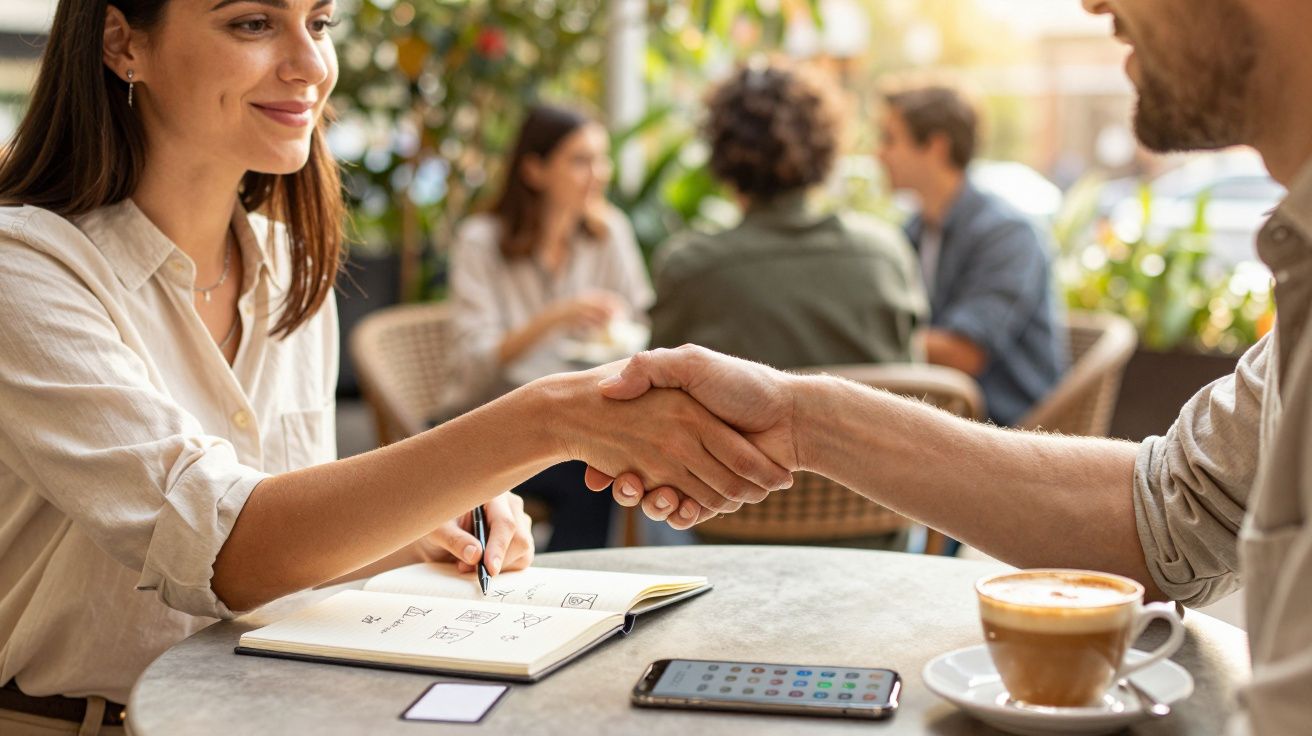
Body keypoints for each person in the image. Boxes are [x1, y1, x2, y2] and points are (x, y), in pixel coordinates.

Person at [0, 2, 788, 732]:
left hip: (262, 709)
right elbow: (231, 549)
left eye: (320, 21)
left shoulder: (289, 266)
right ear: (121, 41)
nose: (310, 64)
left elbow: (285, 544)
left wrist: (424, 530)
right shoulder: (25, 269)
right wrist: (550, 417)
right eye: (251, 24)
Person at [593, 0, 1312, 731]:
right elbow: (1174, 512)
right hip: (881, 520)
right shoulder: (893, 242)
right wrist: (802, 415)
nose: (1090, 4)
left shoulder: (994, 231)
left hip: (814, 512)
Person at [447, 103, 655, 551]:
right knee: (593, 473)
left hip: (576, 425)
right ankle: (570, 588)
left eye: (602, 159)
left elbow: (639, 323)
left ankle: (576, 583)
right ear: (534, 169)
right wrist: (556, 317)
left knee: (612, 462)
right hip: (490, 425)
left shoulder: (609, 233)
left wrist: (614, 326)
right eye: (580, 160)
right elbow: (475, 364)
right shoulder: (480, 242)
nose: (598, 174)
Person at [648, 61, 926, 370]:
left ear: (720, 150)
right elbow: (915, 390)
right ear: (826, 146)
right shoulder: (886, 256)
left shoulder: (691, 269)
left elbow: (653, 397)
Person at [877, 83, 1064, 426]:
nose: (879, 154)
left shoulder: (1008, 233)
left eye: (890, 139)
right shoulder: (914, 231)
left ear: (935, 146)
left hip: (1009, 429)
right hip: (945, 418)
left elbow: (965, 353)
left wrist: (865, 338)